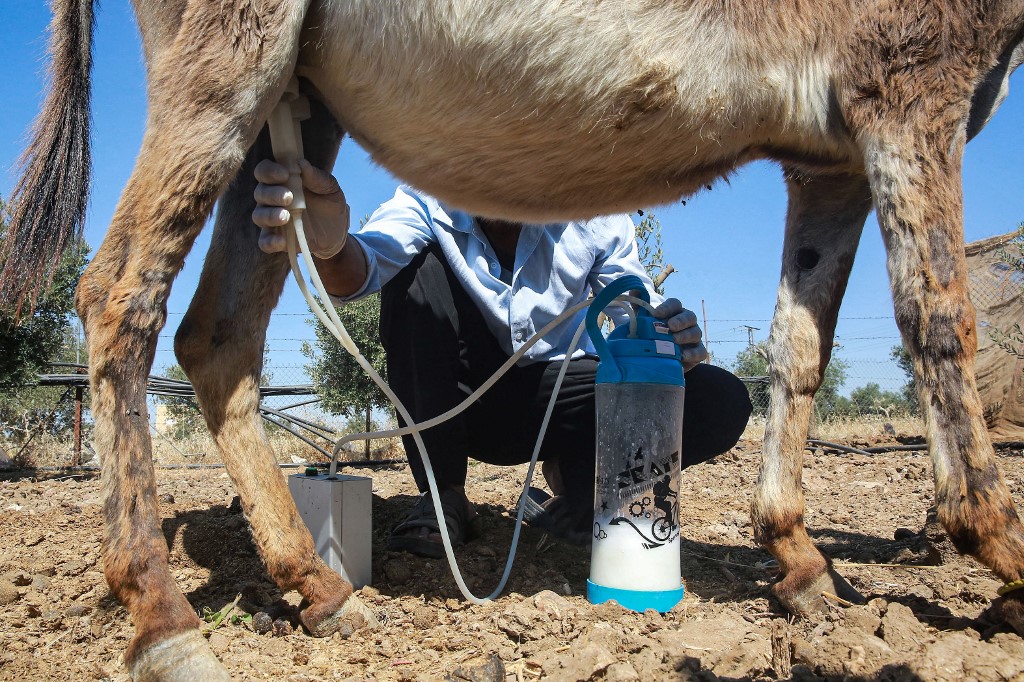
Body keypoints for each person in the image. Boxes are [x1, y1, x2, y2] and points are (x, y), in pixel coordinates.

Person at [253, 159, 752, 558]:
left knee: (718, 399)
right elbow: (359, 270)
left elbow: (631, 312)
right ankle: (444, 497)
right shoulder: (428, 197)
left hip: (564, 402)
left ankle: (591, 495)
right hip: (463, 408)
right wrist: (331, 245)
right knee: (413, 272)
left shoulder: (597, 213)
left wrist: (664, 345)